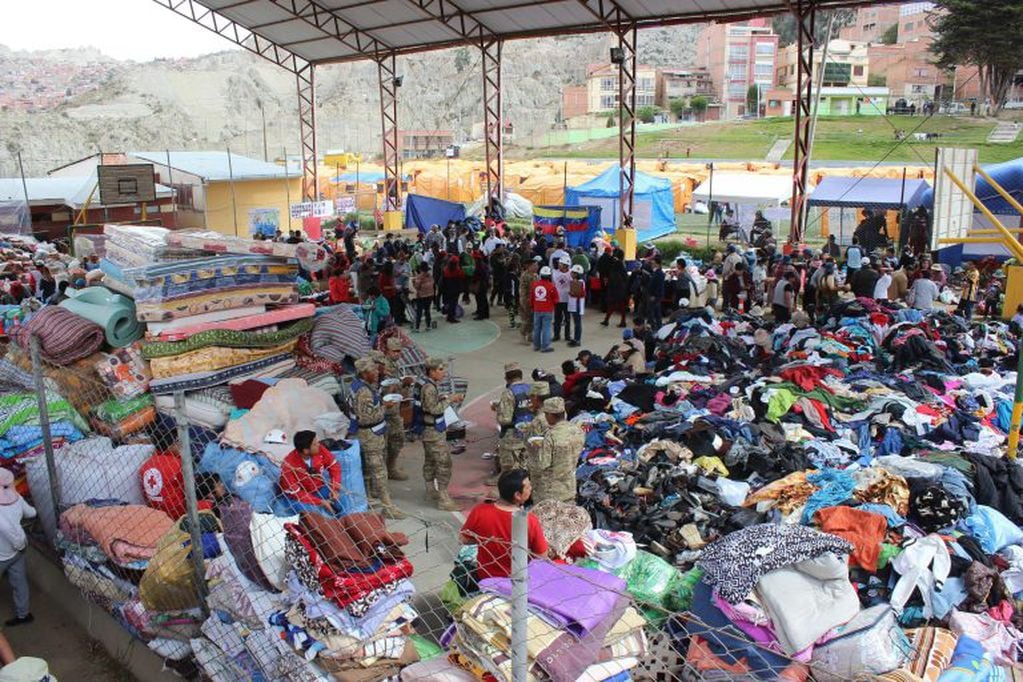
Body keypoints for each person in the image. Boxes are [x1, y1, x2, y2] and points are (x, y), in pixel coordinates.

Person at [459, 469, 549, 582]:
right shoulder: (530, 520)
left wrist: (488, 541)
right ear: (517, 495)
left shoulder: (480, 511)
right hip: (518, 581)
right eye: (528, 487)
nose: (531, 489)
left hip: (486, 576)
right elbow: (542, 556)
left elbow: (464, 539)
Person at [350, 358, 405, 519]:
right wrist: (384, 407)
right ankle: (387, 506)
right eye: (373, 371)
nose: (376, 373)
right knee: (379, 471)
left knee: (367, 469)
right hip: (370, 436)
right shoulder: (364, 392)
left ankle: (368, 497)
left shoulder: (357, 387)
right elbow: (366, 418)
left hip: (366, 435)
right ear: (364, 373)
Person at [420, 357, 463, 511]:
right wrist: (450, 400)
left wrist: (443, 398)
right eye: (440, 370)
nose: (443, 372)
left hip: (430, 430)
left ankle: (430, 490)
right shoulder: (429, 388)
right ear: (431, 371)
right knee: (444, 464)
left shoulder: (428, 386)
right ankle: (443, 498)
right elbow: (434, 409)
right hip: (433, 433)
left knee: (431, 460)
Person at [528, 398, 584, 504]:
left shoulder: (551, 435)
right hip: (569, 486)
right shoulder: (577, 431)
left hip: (550, 490)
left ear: (550, 415)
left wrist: (535, 450)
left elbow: (543, 464)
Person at [280, 431, 343, 516]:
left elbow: (334, 466)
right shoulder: (288, 466)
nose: (318, 444)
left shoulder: (320, 450)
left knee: (341, 501)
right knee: (314, 513)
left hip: (319, 488)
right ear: (306, 451)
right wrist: (320, 502)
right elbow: (297, 493)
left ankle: (340, 520)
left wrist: (335, 489)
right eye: (314, 444)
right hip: (300, 497)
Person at [0, 469, 34, 627]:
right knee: (19, 582)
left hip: (2, 555)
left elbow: (6, 528)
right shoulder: (17, 498)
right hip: (18, 551)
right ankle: (23, 614)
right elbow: (31, 513)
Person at [492, 363, 532, 486]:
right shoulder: (530, 388)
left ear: (507, 377)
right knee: (524, 461)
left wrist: (498, 409)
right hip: (528, 432)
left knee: (509, 465)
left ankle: (507, 488)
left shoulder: (508, 393)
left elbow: (505, 419)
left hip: (512, 435)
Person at [379, 338, 413, 482]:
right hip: (384, 412)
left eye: (399, 351)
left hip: (394, 410)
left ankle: (390, 467)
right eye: (395, 351)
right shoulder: (382, 366)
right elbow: (383, 390)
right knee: (384, 444)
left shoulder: (395, 365)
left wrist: (405, 385)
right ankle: (384, 471)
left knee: (397, 439)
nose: (397, 354)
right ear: (387, 351)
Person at [531, 266, 558, 353]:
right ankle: (545, 346)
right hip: (547, 309)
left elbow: (532, 297)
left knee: (537, 327)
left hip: (537, 309)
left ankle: (536, 345)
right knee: (546, 328)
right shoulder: (551, 286)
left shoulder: (535, 285)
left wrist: (533, 306)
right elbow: (556, 299)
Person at [601, 249, 629, 328]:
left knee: (614, 305)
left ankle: (608, 320)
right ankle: (609, 320)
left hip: (615, 288)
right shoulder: (621, 263)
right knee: (619, 305)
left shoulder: (617, 264)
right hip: (620, 288)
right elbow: (625, 277)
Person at [551, 257, 572, 343]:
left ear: (566, 265)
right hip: (558, 300)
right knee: (557, 319)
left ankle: (567, 336)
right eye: (559, 263)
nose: (559, 265)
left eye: (561, 263)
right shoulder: (554, 272)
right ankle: (556, 335)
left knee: (567, 319)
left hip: (567, 300)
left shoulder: (571, 273)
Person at [518, 258, 539, 343]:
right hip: (527, 300)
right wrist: (524, 301)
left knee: (533, 319)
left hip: (534, 299)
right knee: (526, 319)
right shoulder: (525, 276)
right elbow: (522, 290)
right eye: (535, 265)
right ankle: (523, 336)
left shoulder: (536, 275)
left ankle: (530, 335)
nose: (537, 267)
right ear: (529, 266)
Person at [412, 262, 435, 332]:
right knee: (427, 311)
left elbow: (417, 287)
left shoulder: (419, 277)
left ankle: (417, 327)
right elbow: (432, 283)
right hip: (430, 295)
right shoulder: (430, 275)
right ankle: (428, 326)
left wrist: (413, 282)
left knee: (419, 311)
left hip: (421, 296)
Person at [567, 264, 586, 348]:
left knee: (577, 323)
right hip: (573, 304)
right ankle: (575, 338)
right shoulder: (573, 281)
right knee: (575, 322)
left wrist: (573, 294)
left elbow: (582, 294)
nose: (571, 274)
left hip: (577, 305)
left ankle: (577, 339)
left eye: (573, 273)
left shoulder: (581, 282)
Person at [646, 256, 666, 330]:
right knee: (656, 312)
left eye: (653, 261)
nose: (652, 263)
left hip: (655, 296)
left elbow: (659, 286)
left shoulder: (659, 273)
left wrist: (654, 295)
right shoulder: (656, 272)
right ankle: (658, 326)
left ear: (657, 263)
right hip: (654, 295)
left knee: (651, 312)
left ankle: (654, 326)